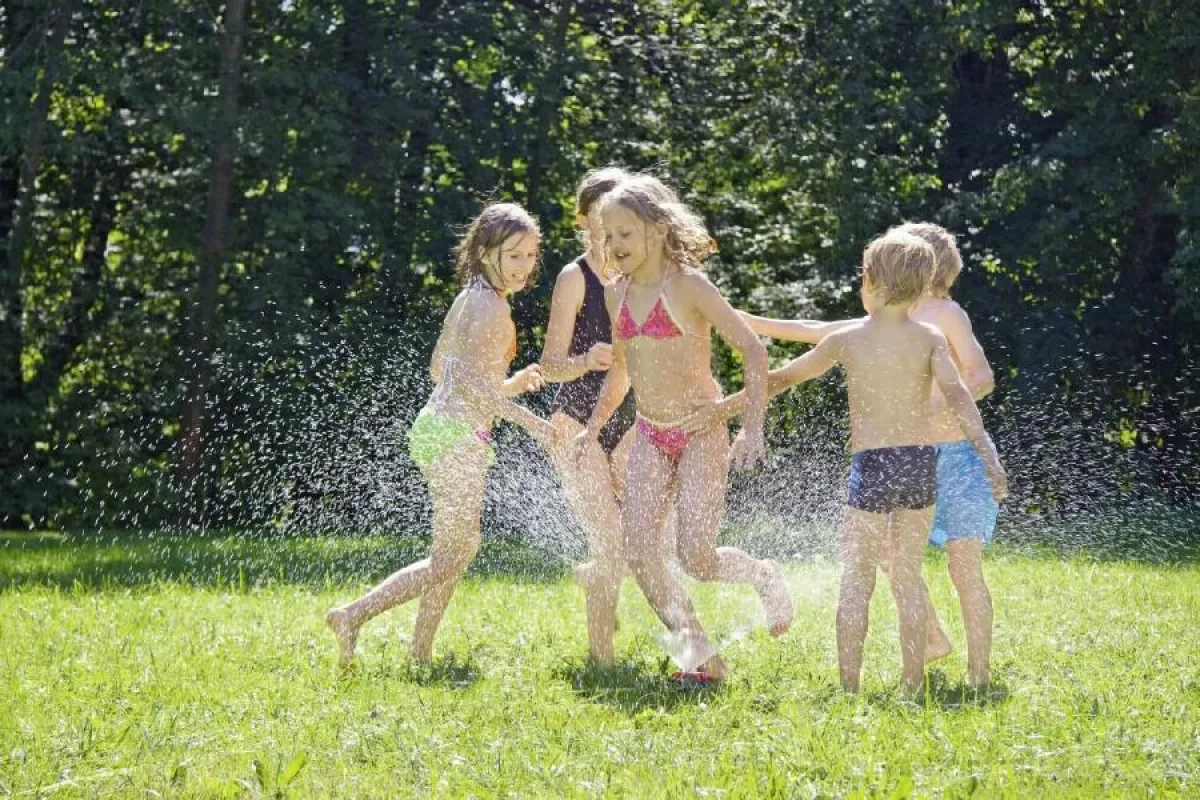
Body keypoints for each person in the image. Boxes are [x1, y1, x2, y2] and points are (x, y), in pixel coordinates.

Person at [687, 230, 1007, 694]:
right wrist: (989, 457)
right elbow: (961, 398)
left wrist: (724, 409)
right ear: (922, 289)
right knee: (909, 576)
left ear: (870, 281)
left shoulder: (850, 338)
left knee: (857, 578)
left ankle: (849, 687)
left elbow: (783, 378)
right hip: (919, 464)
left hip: (873, 465)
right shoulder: (931, 336)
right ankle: (912, 683)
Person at [573, 174, 794, 682]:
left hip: (699, 431)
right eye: (608, 236)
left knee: (696, 557)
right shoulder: (616, 294)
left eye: (625, 233)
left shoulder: (690, 286)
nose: (615, 245)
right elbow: (623, 369)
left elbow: (754, 353)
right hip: (651, 433)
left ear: (656, 229)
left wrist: (750, 428)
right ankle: (701, 659)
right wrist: (595, 424)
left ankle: (762, 575)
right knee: (638, 550)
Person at [326, 202, 556, 668]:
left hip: (440, 427)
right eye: (515, 255)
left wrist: (511, 385)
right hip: (454, 436)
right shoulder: (491, 308)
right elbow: (469, 385)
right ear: (486, 251)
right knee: (451, 557)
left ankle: (419, 653)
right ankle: (352, 615)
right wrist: (536, 425)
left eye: (532, 256)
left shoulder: (471, 297)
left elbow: (441, 372)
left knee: (454, 550)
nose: (525, 267)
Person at [539, 167, 634, 663]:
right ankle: (602, 662)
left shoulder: (637, 276)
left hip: (624, 418)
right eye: (603, 217)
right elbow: (548, 365)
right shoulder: (574, 279)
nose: (613, 228)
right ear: (583, 220)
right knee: (612, 543)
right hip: (574, 421)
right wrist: (583, 360)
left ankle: (593, 577)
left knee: (642, 545)